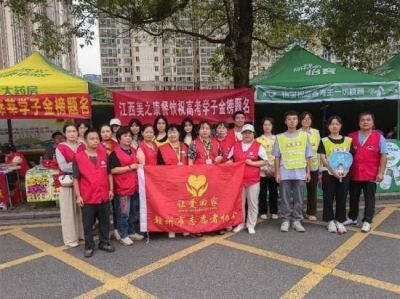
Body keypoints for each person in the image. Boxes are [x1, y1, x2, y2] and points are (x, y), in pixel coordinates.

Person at [73, 129, 114, 257]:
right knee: (88, 224)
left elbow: (109, 174)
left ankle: (104, 242)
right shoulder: (78, 157)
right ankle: (89, 246)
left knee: (105, 221)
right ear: (85, 141)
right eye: (92, 138)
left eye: (97, 138)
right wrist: (78, 196)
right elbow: (75, 178)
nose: (95, 141)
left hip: (103, 195)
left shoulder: (104, 155)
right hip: (88, 197)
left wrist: (111, 189)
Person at [344, 112, 387, 233]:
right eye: (362, 120)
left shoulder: (379, 137)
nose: (365, 122)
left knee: (369, 199)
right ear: (359, 123)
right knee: (353, 198)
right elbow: (344, 155)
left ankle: (367, 221)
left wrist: (381, 172)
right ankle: (352, 218)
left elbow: (384, 156)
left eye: (368, 120)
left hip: (371, 174)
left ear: (373, 123)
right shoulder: (350, 137)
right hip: (354, 173)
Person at [273, 111, 312, 233]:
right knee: (284, 198)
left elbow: (308, 156)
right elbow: (277, 157)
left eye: (294, 119)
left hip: (300, 173)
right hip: (285, 173)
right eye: (289, 119)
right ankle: (285, 220)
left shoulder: (305, 136)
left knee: (299, 199)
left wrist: (308, 172)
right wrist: (277, 173)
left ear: (297, 121)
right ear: (285, 122)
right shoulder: (279, 137)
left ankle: (296, 221)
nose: (292, 121)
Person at [230, 124, 268, 235]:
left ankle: (251, 225)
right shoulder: (236, 145)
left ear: (253, 134)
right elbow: (231, 160)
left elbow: (265, 161)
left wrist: (253, 163)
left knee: (253, 203)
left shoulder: (258, 146)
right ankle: (240, 224)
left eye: (249, 133)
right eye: (245, 132)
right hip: (238, 180)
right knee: (240, 203)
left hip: (253, 180)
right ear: (241, 134)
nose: (247, 135)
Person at [318, 116, 354, 234]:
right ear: (328, 126)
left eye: (337, 124)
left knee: (342, 197)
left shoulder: (348, 140)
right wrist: (333, 172)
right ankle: (330, 221)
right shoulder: (324, 141)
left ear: (340, 126)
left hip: (344, 174)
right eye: (332, 124)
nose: (334, 126)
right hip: (329, 174)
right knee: (328, 197)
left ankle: (340, 220)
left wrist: (346, 172)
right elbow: (323, 158)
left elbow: (351, 158)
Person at [109, 127, 143, 246]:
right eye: (125, 136)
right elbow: (112, 170)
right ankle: (123, 234)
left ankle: (131, 231)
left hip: (134, 186)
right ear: (119, 139)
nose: (128, 138)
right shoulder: (115, 153)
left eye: (129, 136)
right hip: (122, 188)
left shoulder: (133, 150)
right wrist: (129, 167)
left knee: (133, 212)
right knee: (123, 213)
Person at [55, 123, 84, 247]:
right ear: (65, 134)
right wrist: (81, 168)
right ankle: (70, 238)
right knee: (68, 211)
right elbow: (63, 166)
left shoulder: (82, 146)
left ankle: (81, 234)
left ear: (78, 132)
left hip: (82, 181)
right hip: (68, 182)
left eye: (74, 131)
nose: (72, 134)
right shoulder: (60, 147)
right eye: (69, 131)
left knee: (81, 210)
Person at [158, 124, 189, 238]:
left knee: (184, 205)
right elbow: (159, 167)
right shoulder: (161, 148)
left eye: (174, 132)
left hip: (184, 181)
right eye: (170, 132)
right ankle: (172, 228)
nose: (172, 134)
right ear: (167, 134)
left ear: (179, 134)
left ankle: (185, 227)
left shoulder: (185, 146)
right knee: (172, 206)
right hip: (170, 182)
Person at [299, 112, 320, 221]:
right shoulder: (297, 133)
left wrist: (320, 167)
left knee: (312, 190)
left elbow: (319, 150)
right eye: (304, 118)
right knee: (299, 191)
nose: (306, 120)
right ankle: (299, 212)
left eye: (309, 118)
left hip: (313, 165)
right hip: (300, 165)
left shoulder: (316, 132)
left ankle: (311, 212)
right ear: (300, 120)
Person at [256, 117, 278, 220]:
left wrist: (275, 168)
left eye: (269, 124)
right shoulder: (258, 140)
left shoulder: (277, 139)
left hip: (274, 170)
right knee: (262, 192)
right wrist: (264, 168)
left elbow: (280, 155)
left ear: (272, 126)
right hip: (262, 170)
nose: (267, 126)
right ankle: (263, 211)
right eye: (265, 125)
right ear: (262, 126)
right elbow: (257, 156)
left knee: (274, 192)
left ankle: (274, 211)